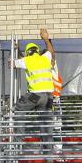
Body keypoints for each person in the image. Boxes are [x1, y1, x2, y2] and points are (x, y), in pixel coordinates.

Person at [11, 28, 57, 156]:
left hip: (35, 95)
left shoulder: (27, 61)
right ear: (37, 51)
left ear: (27, 53)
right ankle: (49, 156)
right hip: (48, 97)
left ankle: (18, 142)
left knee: (19, 109)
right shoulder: (45, 58)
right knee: (46, 124)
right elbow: (51, 52)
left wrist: (14, 52)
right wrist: (46, 39)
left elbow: (12, 64)